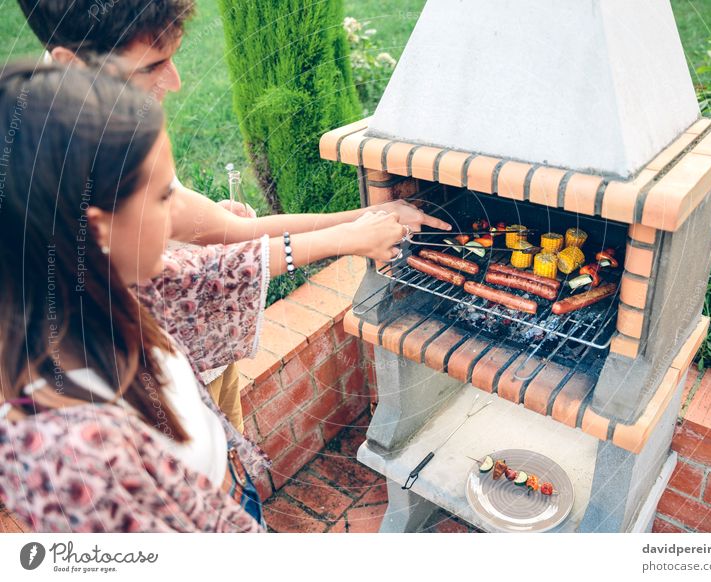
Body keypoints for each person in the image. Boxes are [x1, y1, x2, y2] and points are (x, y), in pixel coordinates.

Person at [0, 61, 412, 531]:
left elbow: (217, 267)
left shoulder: (77, 289)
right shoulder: (80, 457)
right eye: (162, 199)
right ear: (99, 229)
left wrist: (356, 229)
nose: (181, 219)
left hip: (228, 491)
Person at [16, 0, 451, 433]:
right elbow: (190, 277)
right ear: (72, 64)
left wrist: (365, 217)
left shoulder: (111, 119)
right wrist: (347, 238)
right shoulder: (44, 171)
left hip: (202, 365)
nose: (176, 81)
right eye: (153, 65)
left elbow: (233, 232)